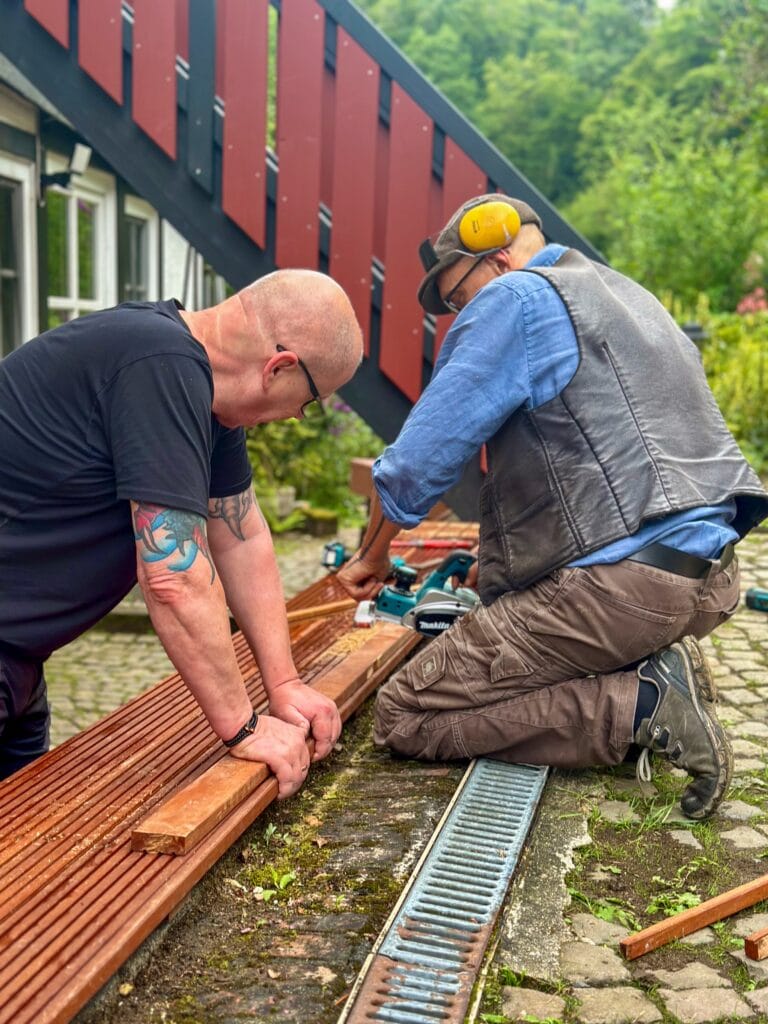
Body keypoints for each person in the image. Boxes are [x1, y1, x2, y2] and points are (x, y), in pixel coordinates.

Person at [338, 194, 768, 819]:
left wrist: (370, 559)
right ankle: (654, 659)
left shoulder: (513, 299)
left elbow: (414, 465)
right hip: (709, 578)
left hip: (623, 590)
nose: (457, 313)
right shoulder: (624, 295)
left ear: (498, 256)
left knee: (408, 712)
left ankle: (637, 707)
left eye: (457, 296)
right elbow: (598, 463)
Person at [0, 269, 363, 797]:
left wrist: (283, 684)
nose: (293, 418)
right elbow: (174, 577)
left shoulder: (209, 398)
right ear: (279, 367)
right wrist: (244, 726)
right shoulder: (160, 364)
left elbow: (241, 536)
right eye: (308, 402)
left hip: (21, 658)